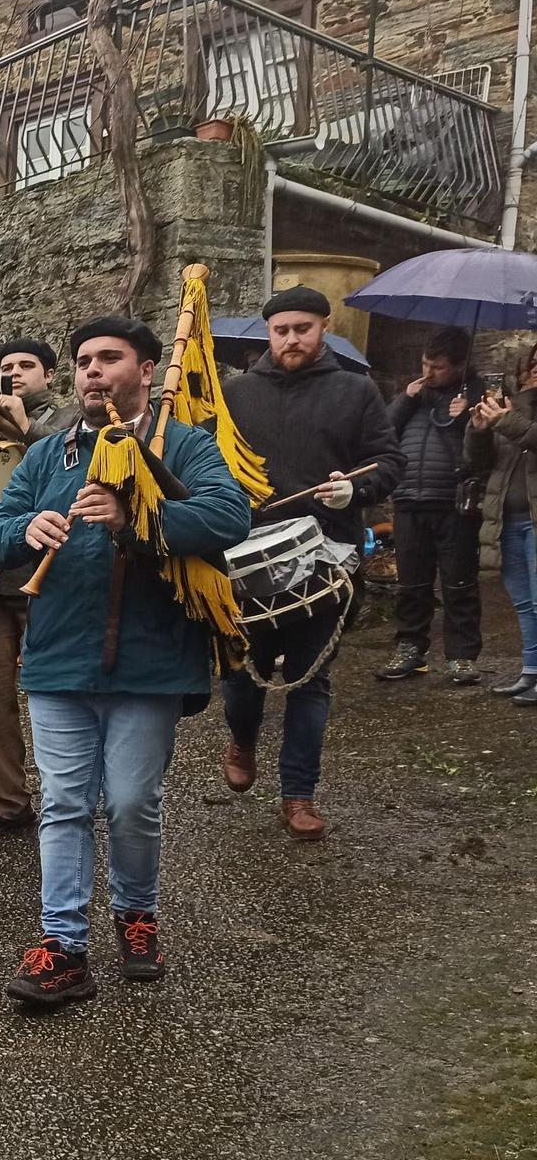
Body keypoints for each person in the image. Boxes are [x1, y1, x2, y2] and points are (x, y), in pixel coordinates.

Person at [0, 316, 250, 1007]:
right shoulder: (48, 456)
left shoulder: (183, 444)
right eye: (83, 360)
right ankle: (62, 946)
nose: (91, 370)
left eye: (108, 358)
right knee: (65, 804)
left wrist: (137, 521)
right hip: (59, 658)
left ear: (147, 370)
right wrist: (23, 530)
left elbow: (228, 517)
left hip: (150, 661)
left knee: (131, 804)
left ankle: (136, 913)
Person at [218, 286, 404, 842]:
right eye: (281, 330)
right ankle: (244, 738)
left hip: (327, 557)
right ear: (268, 333)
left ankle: (298, 795)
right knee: (241, 679)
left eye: (303, 327)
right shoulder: (235, 394)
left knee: (310, 680)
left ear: (323, 327)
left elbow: (390, 462)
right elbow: (204, 464)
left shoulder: (357, 391)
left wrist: (358, 489)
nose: (292, 339)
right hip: (245, 557)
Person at [0, 337, 80, 837]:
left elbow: (74, 476)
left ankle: (68, 799)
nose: (16, 373)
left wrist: (24, 427)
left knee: (62, 695)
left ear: (49, 375)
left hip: (48, 579)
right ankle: (7, 800)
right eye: (7, 366)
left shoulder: (70, 423)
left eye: (27, 365)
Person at [381, 327, 485, 684]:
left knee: (458, 583)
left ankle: (462, 655)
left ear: (459, 366)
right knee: (412, 583)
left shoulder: (477, 394)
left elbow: (479, 456)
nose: (428, 373)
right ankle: (410, 647)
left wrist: (466, 419)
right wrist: (406, 399)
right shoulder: (413, 394)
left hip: (453, 501)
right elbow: (382, 433)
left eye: (437, 368)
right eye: (425, 364)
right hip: (409, 498)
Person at [467, 342, 537, 704]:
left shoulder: (514, 416)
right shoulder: (512, 408)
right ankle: (531, 671)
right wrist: (479, 429)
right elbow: (481, 462)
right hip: (508, 520)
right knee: (524, 601)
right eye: (533, 363)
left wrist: (508, 421)